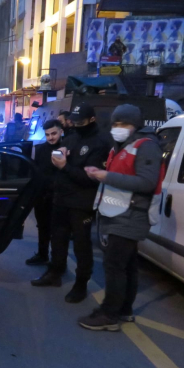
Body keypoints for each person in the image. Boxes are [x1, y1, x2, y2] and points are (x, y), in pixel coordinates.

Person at [78, 105, 163, 331]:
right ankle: (124, 310)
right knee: (127, 266)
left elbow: (146, 182)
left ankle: (109, 314)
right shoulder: (123, 146)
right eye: (115, 124)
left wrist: (107, 176)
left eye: (123, 124)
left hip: (131, 215)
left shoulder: (146, 147)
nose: (118, 128)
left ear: (135, 124)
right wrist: (99, 175)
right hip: (118, 213)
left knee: (114, 266)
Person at [31, 103, 111, 303]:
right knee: (57, 239)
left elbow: (88, 178)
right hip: (61, 199)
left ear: (92, 120)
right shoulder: (72, 137)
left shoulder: (100, 142)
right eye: (72, 122)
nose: (75, 125)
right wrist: (60, 156)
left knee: (81, 246)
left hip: (81, 202)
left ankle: (81, 283)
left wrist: (65, 166)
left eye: (80, 122)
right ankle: (54, 272)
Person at [26, 119, 63, 266]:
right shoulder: (40, 149)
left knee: (58, 231)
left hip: (59, 196)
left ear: (61, 131)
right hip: (42, 196)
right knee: (42, 227)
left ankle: (57, 261)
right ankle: (42, 255)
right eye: (47, 134)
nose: (51, 137)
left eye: (54, 133)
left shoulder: (66, 148)